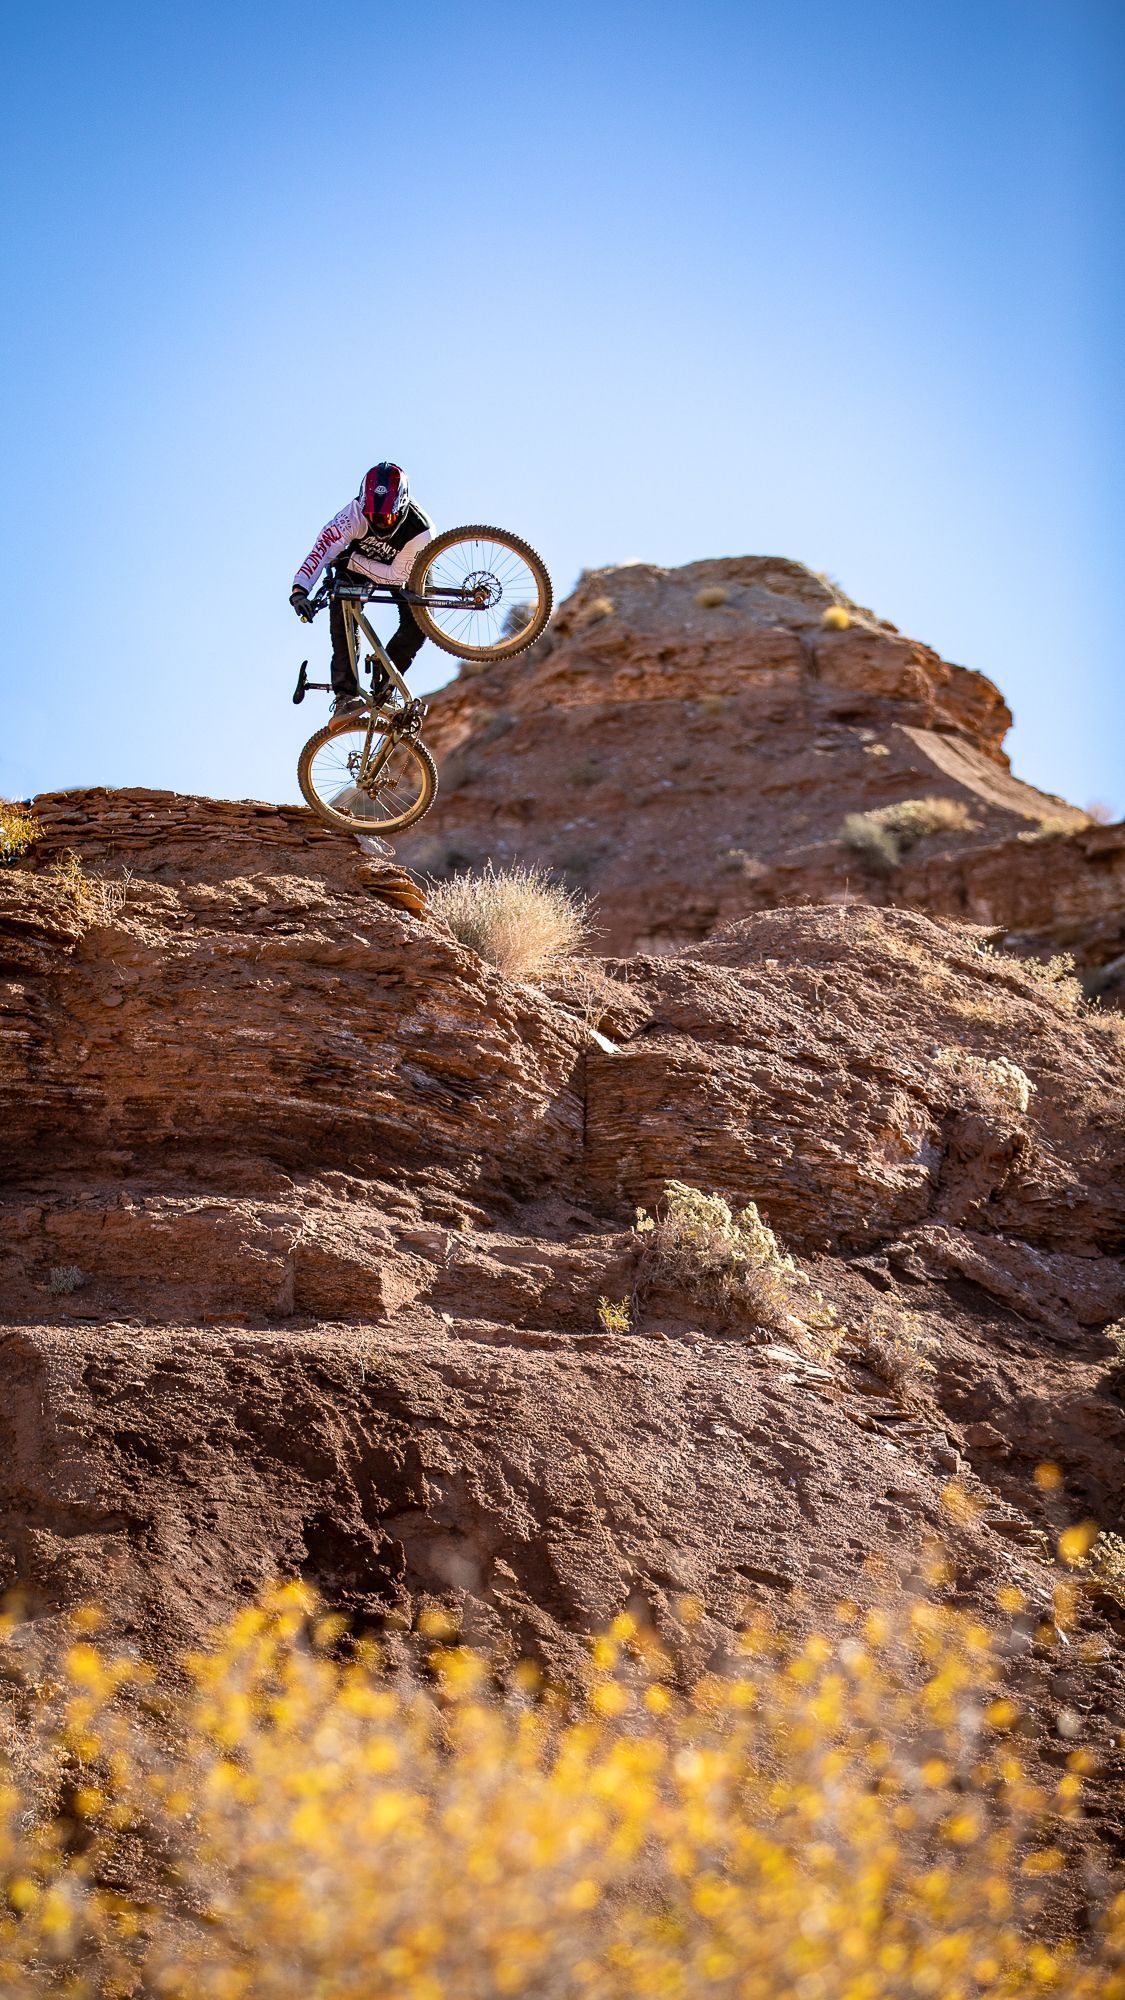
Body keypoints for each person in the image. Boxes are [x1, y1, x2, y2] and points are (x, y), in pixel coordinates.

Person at [290, 463, 434, 715]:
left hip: (404, 566)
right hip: (355, 568)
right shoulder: (352, 515)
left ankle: (384, 678)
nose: (380, 524)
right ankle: (345, 696)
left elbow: (395, 576)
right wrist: (300, 589)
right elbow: (321, 551)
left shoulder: (420, 529)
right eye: (373, 516)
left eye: (387, 517)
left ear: (401, 508)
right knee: (341, 611)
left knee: (421, 623)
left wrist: (352, 560)